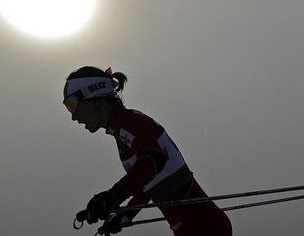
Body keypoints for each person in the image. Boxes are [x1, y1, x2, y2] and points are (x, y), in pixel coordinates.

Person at [63, 66, 232, 236]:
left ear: (94, 96)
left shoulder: (129, 123)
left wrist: (114, 194)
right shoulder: (122, 127)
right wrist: (126, 213)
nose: (73, 116)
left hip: (203, 227)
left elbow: (154, 160)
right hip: (197, 226)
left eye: (72, 104)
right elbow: (152, 179)